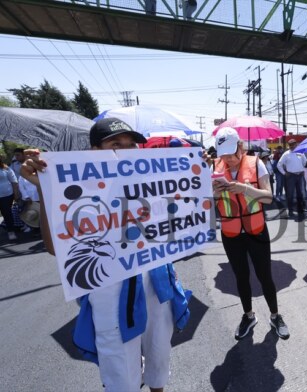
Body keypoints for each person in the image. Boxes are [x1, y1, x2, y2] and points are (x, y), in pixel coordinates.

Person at [20, 117, 192, 392]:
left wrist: (199, 176)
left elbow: (184, 218)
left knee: (159, 355)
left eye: (130, 144)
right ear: (95, 150)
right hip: (111, 293)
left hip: (157, 284)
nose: (125, 150)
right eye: (115, 143)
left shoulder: (152, 179)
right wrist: (45, 184)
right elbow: (56, 248)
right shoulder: (79, 189)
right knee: (121, 373)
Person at [212, 127, 290, 340]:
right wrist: (214, 194)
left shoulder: (257, 163)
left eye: (231, 153)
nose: (228, 159)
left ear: (240, 146)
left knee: (265, 276)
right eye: (223, 155)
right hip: (231, 233)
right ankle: (248, 315)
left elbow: (268, 197)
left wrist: (245, 189)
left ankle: (275, 315)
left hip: (256, 231)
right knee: (241, 277)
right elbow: (206, 204)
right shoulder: (216, 167)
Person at [277, 139, 307, 219]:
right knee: (290, 194)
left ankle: (300, 209)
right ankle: (290, 211)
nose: (292, 146)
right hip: (291, 176)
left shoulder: (301, 153)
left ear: (296, 144)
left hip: (300, 175)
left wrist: (304, 170)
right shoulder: (286, 154)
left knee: (300, 193)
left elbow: (305, 163)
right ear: (289, 145)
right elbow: (279, 165)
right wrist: (284, 173)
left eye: (293, 144)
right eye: (290, 145)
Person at [0, 154, 19, 241]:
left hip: (6, 195)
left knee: (6, 213)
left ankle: (11, 231)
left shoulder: (6, 168)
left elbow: (14, 181)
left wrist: (16, 194)